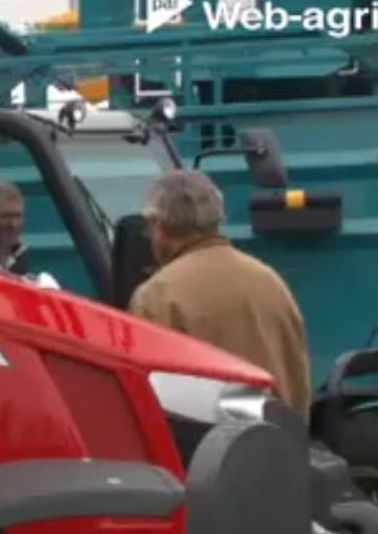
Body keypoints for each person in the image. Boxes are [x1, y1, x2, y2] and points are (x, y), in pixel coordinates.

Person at [128, 169, 313, 419]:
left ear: (158, 226)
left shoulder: (157, 295)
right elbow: (298, 379)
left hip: (207, 452)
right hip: (280, 446)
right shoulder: (269, 280)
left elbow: (148, 400)